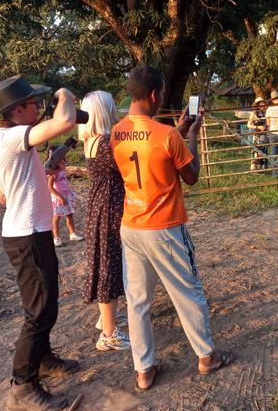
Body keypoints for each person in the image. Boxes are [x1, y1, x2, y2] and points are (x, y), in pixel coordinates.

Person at [111, 66, 233, 392]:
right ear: (154, 94)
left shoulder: (117, 132)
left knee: (138, 302)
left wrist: (178, 131)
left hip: (131, 225)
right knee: (187, 292)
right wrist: (190, 135)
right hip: (164, 227)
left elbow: (148, 151)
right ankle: (207, 356)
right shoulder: (166, 136)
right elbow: (191, 175)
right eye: (162, 93)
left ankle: (143, 370)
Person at [0, 75, 80, 411]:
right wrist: (64, 92)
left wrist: (45, 170)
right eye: (35, 103)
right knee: (40, 311)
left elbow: (4, 194)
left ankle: (43, 359)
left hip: (27, 232)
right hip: (28, 235)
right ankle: (22, 385)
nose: (39, 108)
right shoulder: (13, 137)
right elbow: (65, 121)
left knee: (43, 303)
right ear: (18, 110)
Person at [79, 90, 130, 352]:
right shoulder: (107, 142)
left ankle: (107, 317)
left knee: (104, 262)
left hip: (99, 206)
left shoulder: (91, 140)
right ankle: (109, 334)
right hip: (111, 208)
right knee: (109, 265)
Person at [47, 149, 84, 247]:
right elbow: (50, 187)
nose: (64, 160)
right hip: (58, 197)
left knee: (69, 214)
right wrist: (60, 197)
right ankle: (56, 238)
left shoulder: (62, 170)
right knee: (57, 217)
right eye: (62, 158)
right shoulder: (52, 173)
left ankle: (72, 234)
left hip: (67, 195)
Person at [247, 96, 268, 171]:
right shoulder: (254, 114)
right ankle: (254, 168)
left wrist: (266, 125)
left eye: (263, 103)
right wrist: (258, 127)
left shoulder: (265, 113)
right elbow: (248, 125)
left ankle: (262, 168)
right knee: (256, 151)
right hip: (256, 135)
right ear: (257, 105)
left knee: (263, 150)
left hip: (264, 134)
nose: (263, 104)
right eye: (261, 103)